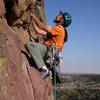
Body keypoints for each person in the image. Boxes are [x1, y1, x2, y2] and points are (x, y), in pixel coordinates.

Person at [25, 11, 72, 78]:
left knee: (30, 45)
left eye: (59, 15)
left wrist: (33, 15)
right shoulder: (56, 30)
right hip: (49, 53)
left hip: (49, 52)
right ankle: (44, 67)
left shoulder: (59, 29)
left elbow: (41, 26)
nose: (56, 16)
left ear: (62, 20)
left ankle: (44, 69)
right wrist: (32, 20)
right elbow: (38, 30)